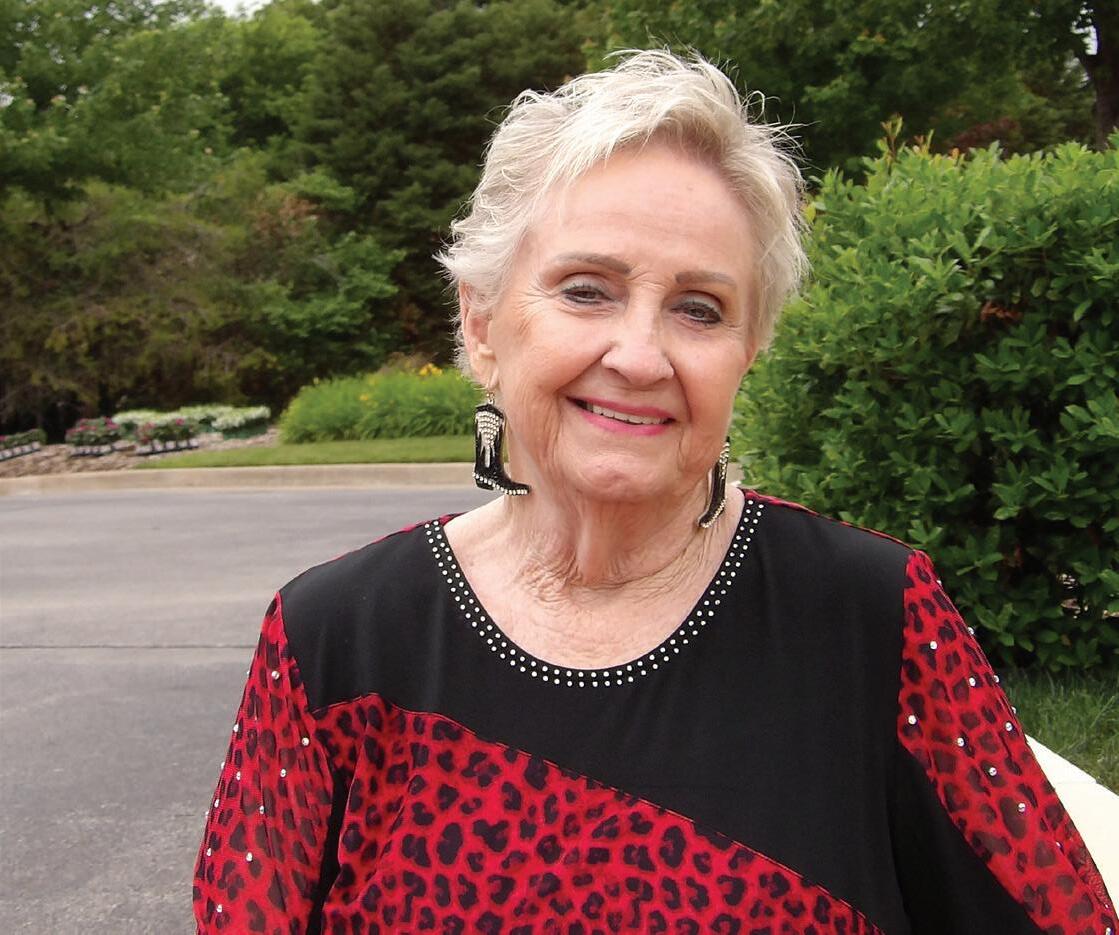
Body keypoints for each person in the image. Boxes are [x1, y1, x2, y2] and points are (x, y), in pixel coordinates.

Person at [193, 51, 1115, 934]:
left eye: (698, 309)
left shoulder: (873, 618)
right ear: (480, 324)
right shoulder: (331, 639)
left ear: (747, 352)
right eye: (585, 290)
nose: (639, 356)